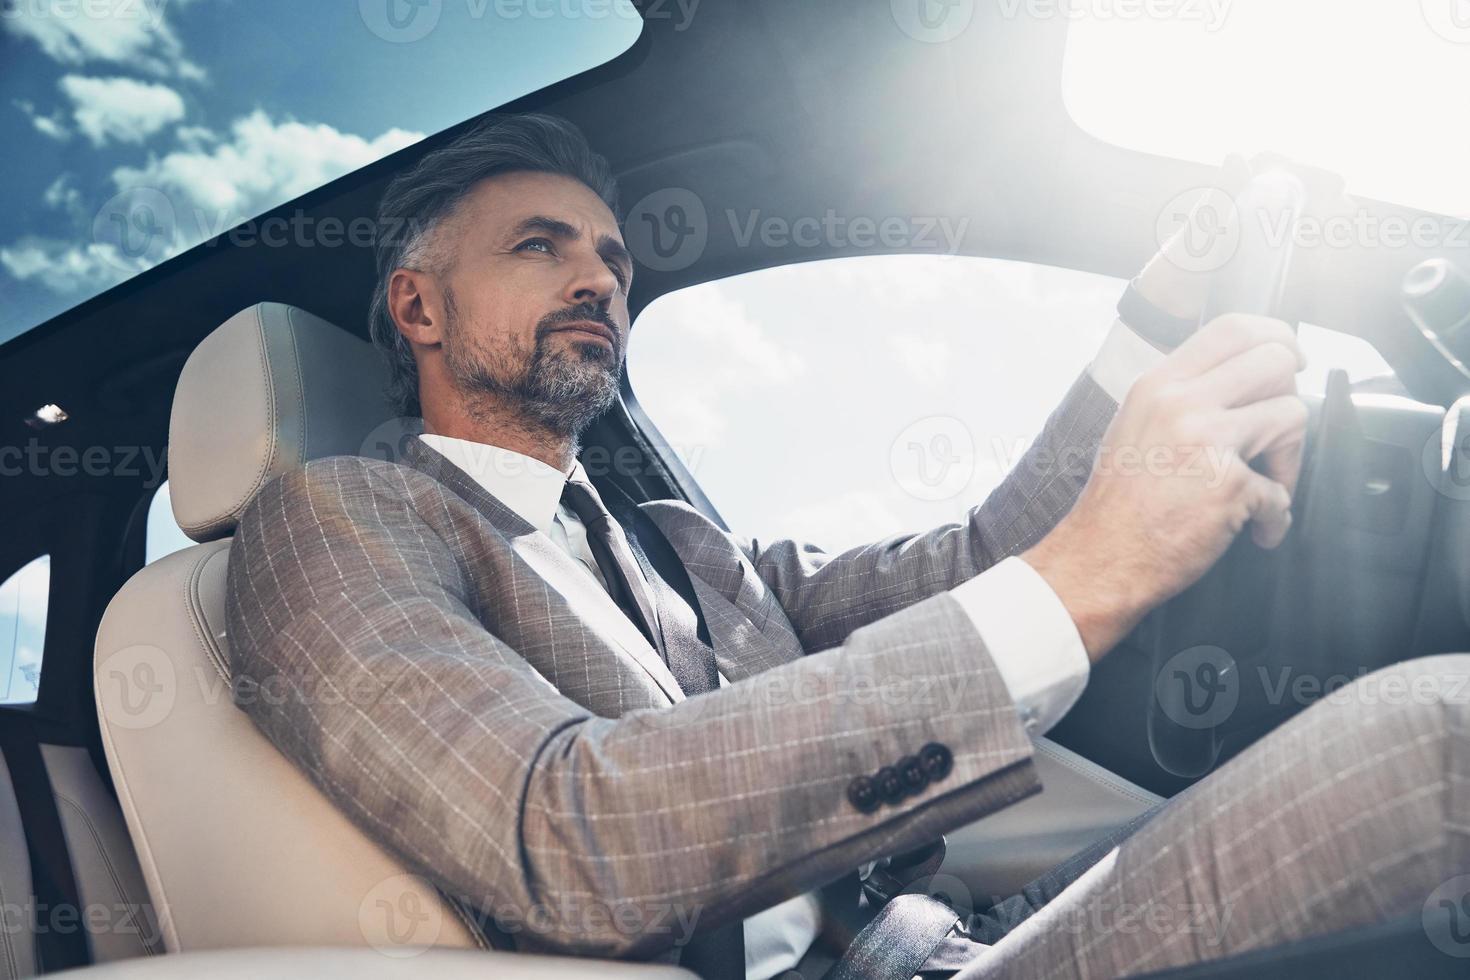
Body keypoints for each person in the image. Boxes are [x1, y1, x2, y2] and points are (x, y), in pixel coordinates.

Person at [224, 113, 1470, 979]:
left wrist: (1157, 313)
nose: (600, 276)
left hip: (939, 934)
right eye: (539, 244)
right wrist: (1086, 578)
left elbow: (979, 551)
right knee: (1438, 751)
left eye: (611, 252)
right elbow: (559, 830)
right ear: (420, 305)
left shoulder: (677, 543)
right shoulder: (335, 520)